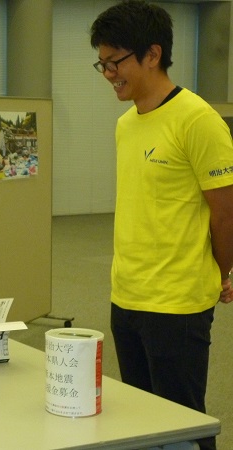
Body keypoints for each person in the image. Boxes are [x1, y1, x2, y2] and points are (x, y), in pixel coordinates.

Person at [90, 2, 233, 449]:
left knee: (182, 426)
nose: (109, 73)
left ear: (152, 54)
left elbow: (225, 213)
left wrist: (221, 273)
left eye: (115, 62)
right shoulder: (125, 124)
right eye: (102, 63)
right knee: (139, 422)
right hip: (126, 295)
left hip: (177, 302)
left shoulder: (198, 120)